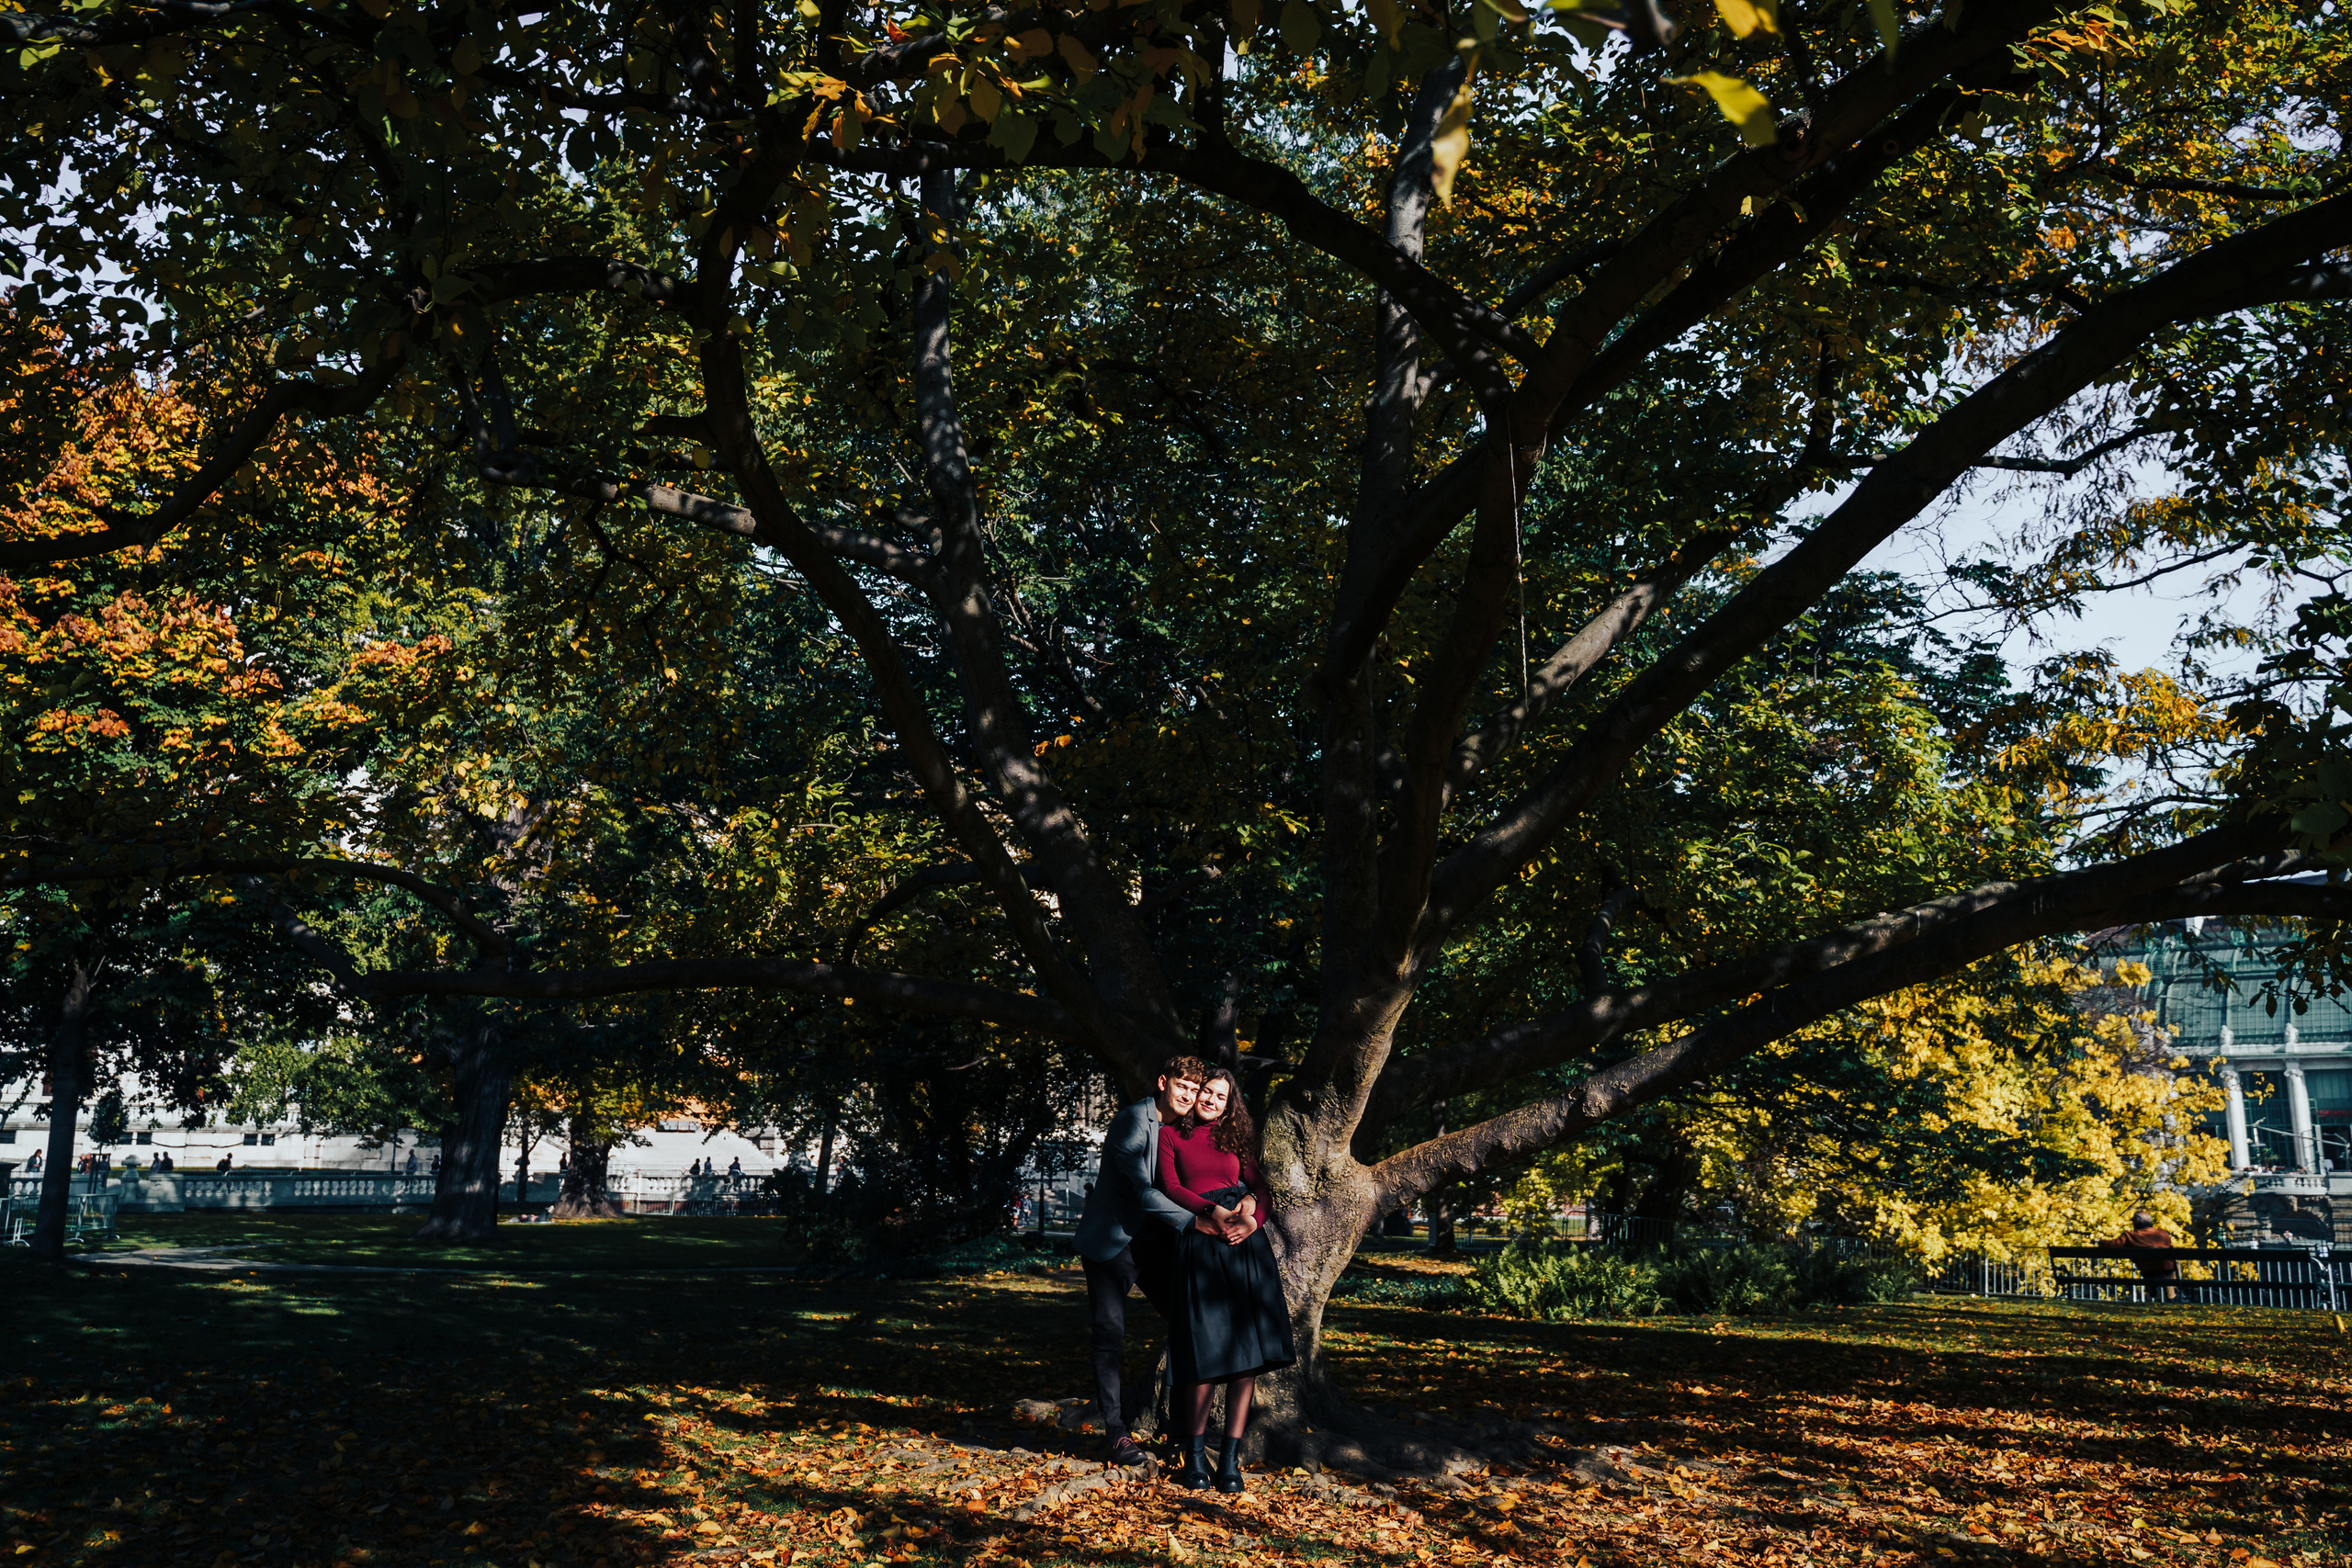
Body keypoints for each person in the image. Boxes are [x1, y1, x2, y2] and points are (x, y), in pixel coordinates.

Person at [1071, 1054, 1244, 1470]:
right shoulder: (1134, 1120)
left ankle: (1186, 1430)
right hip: (1113, 1241)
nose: (1188, 1095)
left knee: (1190, 1324)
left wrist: (1245, 1198)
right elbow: (1146, 1191)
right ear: (1164, 1083)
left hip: (1157, 1244)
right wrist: (1198, 1221)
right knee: (1109, 1336)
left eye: (1194, 1089)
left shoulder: (1185, 1127)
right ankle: (1116, 1433)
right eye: (1181, 1087)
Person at [1156, 1066, 1296, 1494]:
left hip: (1245, 1250)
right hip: (1201, 1245)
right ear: (1196, 1096)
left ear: (1229, 1103)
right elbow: (1169, 1186)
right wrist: (1210, 1211)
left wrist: (1253, 1219)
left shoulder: (1236, 1140)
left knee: (1245, 1359)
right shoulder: (1170, 1135)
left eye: (1222, 1096)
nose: (1213, 1100)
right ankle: (1195, 1456)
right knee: (1203, 1355)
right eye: (1207, 1093)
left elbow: (1263, 1190)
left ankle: (1230, 1460)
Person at [2098, 1209, 2180, 1300]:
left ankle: (2152, 1292)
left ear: (2136, 1222)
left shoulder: (2130, 1236)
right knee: (2169, 1270)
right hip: (2167, 1270)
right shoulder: (2163, 1234)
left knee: (2152, 1270)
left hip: (2149, 1271)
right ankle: (2171, 1297)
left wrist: (2100, 1242)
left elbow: (2113, 1244)